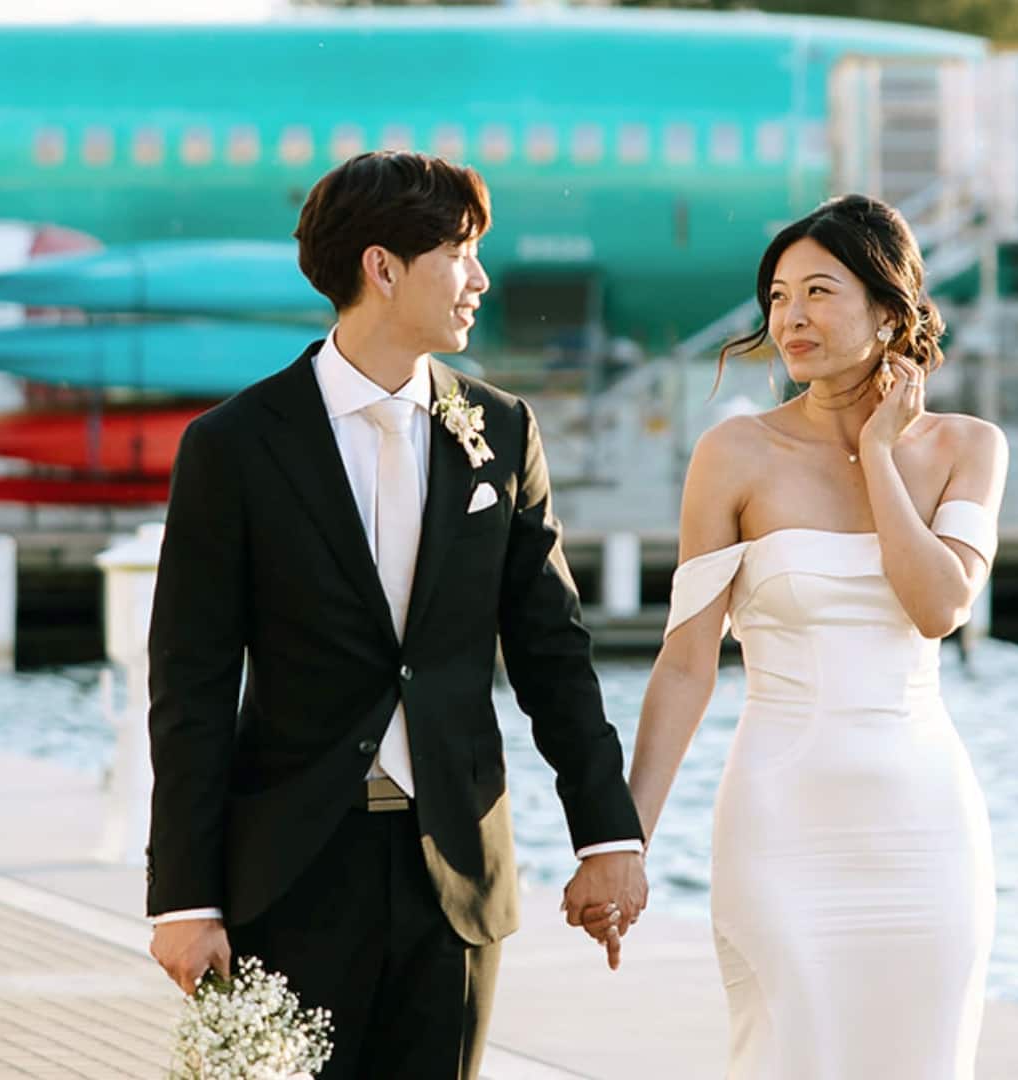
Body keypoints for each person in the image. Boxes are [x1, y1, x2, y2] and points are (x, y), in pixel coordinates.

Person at [143, 150, 648, 1080]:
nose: (480, 279)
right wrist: (185, 899)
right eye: (459, 253)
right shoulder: (233, 447)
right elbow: (192, 686)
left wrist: (606, 836)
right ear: (381, 267)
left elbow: (552, 652)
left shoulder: (502, 431)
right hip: (286, 877)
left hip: (455, 877)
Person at [585, 194, 1007, 1077]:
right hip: (780, 824)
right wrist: (624, 843)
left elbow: (938, 606)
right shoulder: (734, 454)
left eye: (819, 291)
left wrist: (880, 456)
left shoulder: (969, 449)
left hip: (926, 828)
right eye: (778, 297)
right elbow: (686, 666)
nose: (791, 319)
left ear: (888, 310)